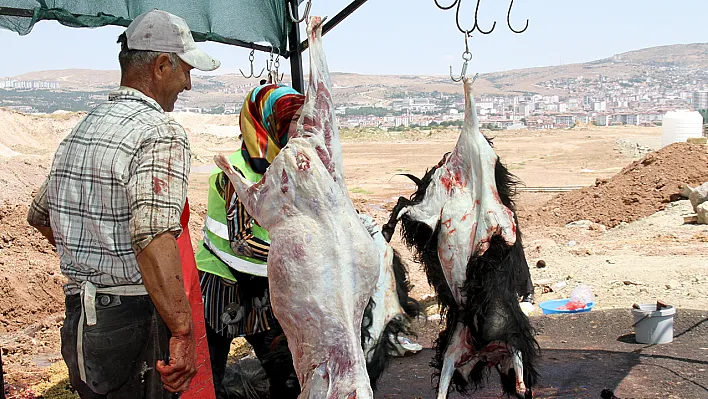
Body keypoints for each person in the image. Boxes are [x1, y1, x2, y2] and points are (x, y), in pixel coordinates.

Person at [26, 9, 220, 398]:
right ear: (162, 65)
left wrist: (96, 259)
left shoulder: (85, 126)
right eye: (186, 70)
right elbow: (152, 236)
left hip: (82, 319)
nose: (189, 84)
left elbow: (41, 215)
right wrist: (182, 331)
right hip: (133, 319)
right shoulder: (160, 132)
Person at [195, 83, 304, 399]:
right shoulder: (237, 171)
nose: (302, 126)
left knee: (286, 375)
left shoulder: (283, 168)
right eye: (295, 119)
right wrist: (302, 258)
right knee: (208, 379)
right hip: (221, 286)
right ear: (271, 122)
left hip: (262, 285)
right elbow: (241, 241)